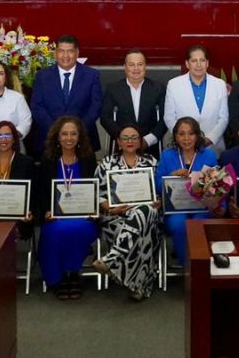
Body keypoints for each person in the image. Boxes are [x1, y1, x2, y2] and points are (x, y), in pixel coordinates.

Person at [92, 124, 162, 301]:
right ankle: (140, 287)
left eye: (134, 138)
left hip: (148, 214)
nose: (130, 141)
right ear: (119, 142)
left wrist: (159, 201)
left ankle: (112, 259)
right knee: (142, 231)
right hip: (115, 217)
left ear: (140, 141)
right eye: (125, 138)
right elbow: (95, 192)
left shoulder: (152, 163)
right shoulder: (106, 164)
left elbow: (160, 192)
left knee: (145, 212)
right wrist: (109, 207)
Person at [34, 116, 99, 300]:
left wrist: (93, 209)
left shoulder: (87, 158)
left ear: (80, 137)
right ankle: (58, 277)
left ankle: (73, 273)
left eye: (73, 134)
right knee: (56, 230)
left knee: (77, 228)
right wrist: (46, 211)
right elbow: (42, 191)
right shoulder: (48, 159)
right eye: (64, 134)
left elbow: (95, 187)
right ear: (57, 136)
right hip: (55, 215)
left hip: (83, 215)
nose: (69, 138)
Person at [156, 117, 218, 265]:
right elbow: (157, 185)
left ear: (197, 135)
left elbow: (217, 184)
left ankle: (200, 265)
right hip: (175, 209)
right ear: (175, 136)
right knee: (179, 225)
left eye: (190, 134)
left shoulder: (208, 154)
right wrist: (170, 177)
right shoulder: (167, 155)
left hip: (201, 206)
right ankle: (188, 268)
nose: (186, 138)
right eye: (181, 134)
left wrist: (202, 179)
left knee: (198, 224)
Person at [30, 35, 103, 155]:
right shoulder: (42, 76)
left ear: (77, 53)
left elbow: (96, 106)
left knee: (84, 173)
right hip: (49, 140)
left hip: (83, 139)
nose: (65, 56)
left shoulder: (91, 75)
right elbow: (37, 106)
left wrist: (76, 131)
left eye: (70, 51)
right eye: (61, 51)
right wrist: (56, 130)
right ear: (55, 53)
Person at [164, 45, 230, 154]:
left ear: (207, 63)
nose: (199, 65)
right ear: (187, 63)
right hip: (182, 148)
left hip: (212, 147)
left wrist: (209, 139)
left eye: (202, 60)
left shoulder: (219, 84)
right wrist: (184, 138)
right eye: (194, 60)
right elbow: (169, 117)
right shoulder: (174, 84)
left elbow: (223, 118)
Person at [101, 49, 166, 156]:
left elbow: (164, 118)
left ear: (145, 66)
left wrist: (148, 140)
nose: (136, 68)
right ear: (125, 67)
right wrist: (124, 138)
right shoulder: (113, 88)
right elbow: (105, 118)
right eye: (131, 65)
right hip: (121, 147)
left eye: (140, 64)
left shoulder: (158, 88)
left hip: (149, 146)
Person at [0, 120, 36, 235]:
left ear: (14, 139)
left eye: (8, 135)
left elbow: (33, 193)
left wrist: (29, 212)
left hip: (18, 218)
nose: (4, 139)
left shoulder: (26, 162)